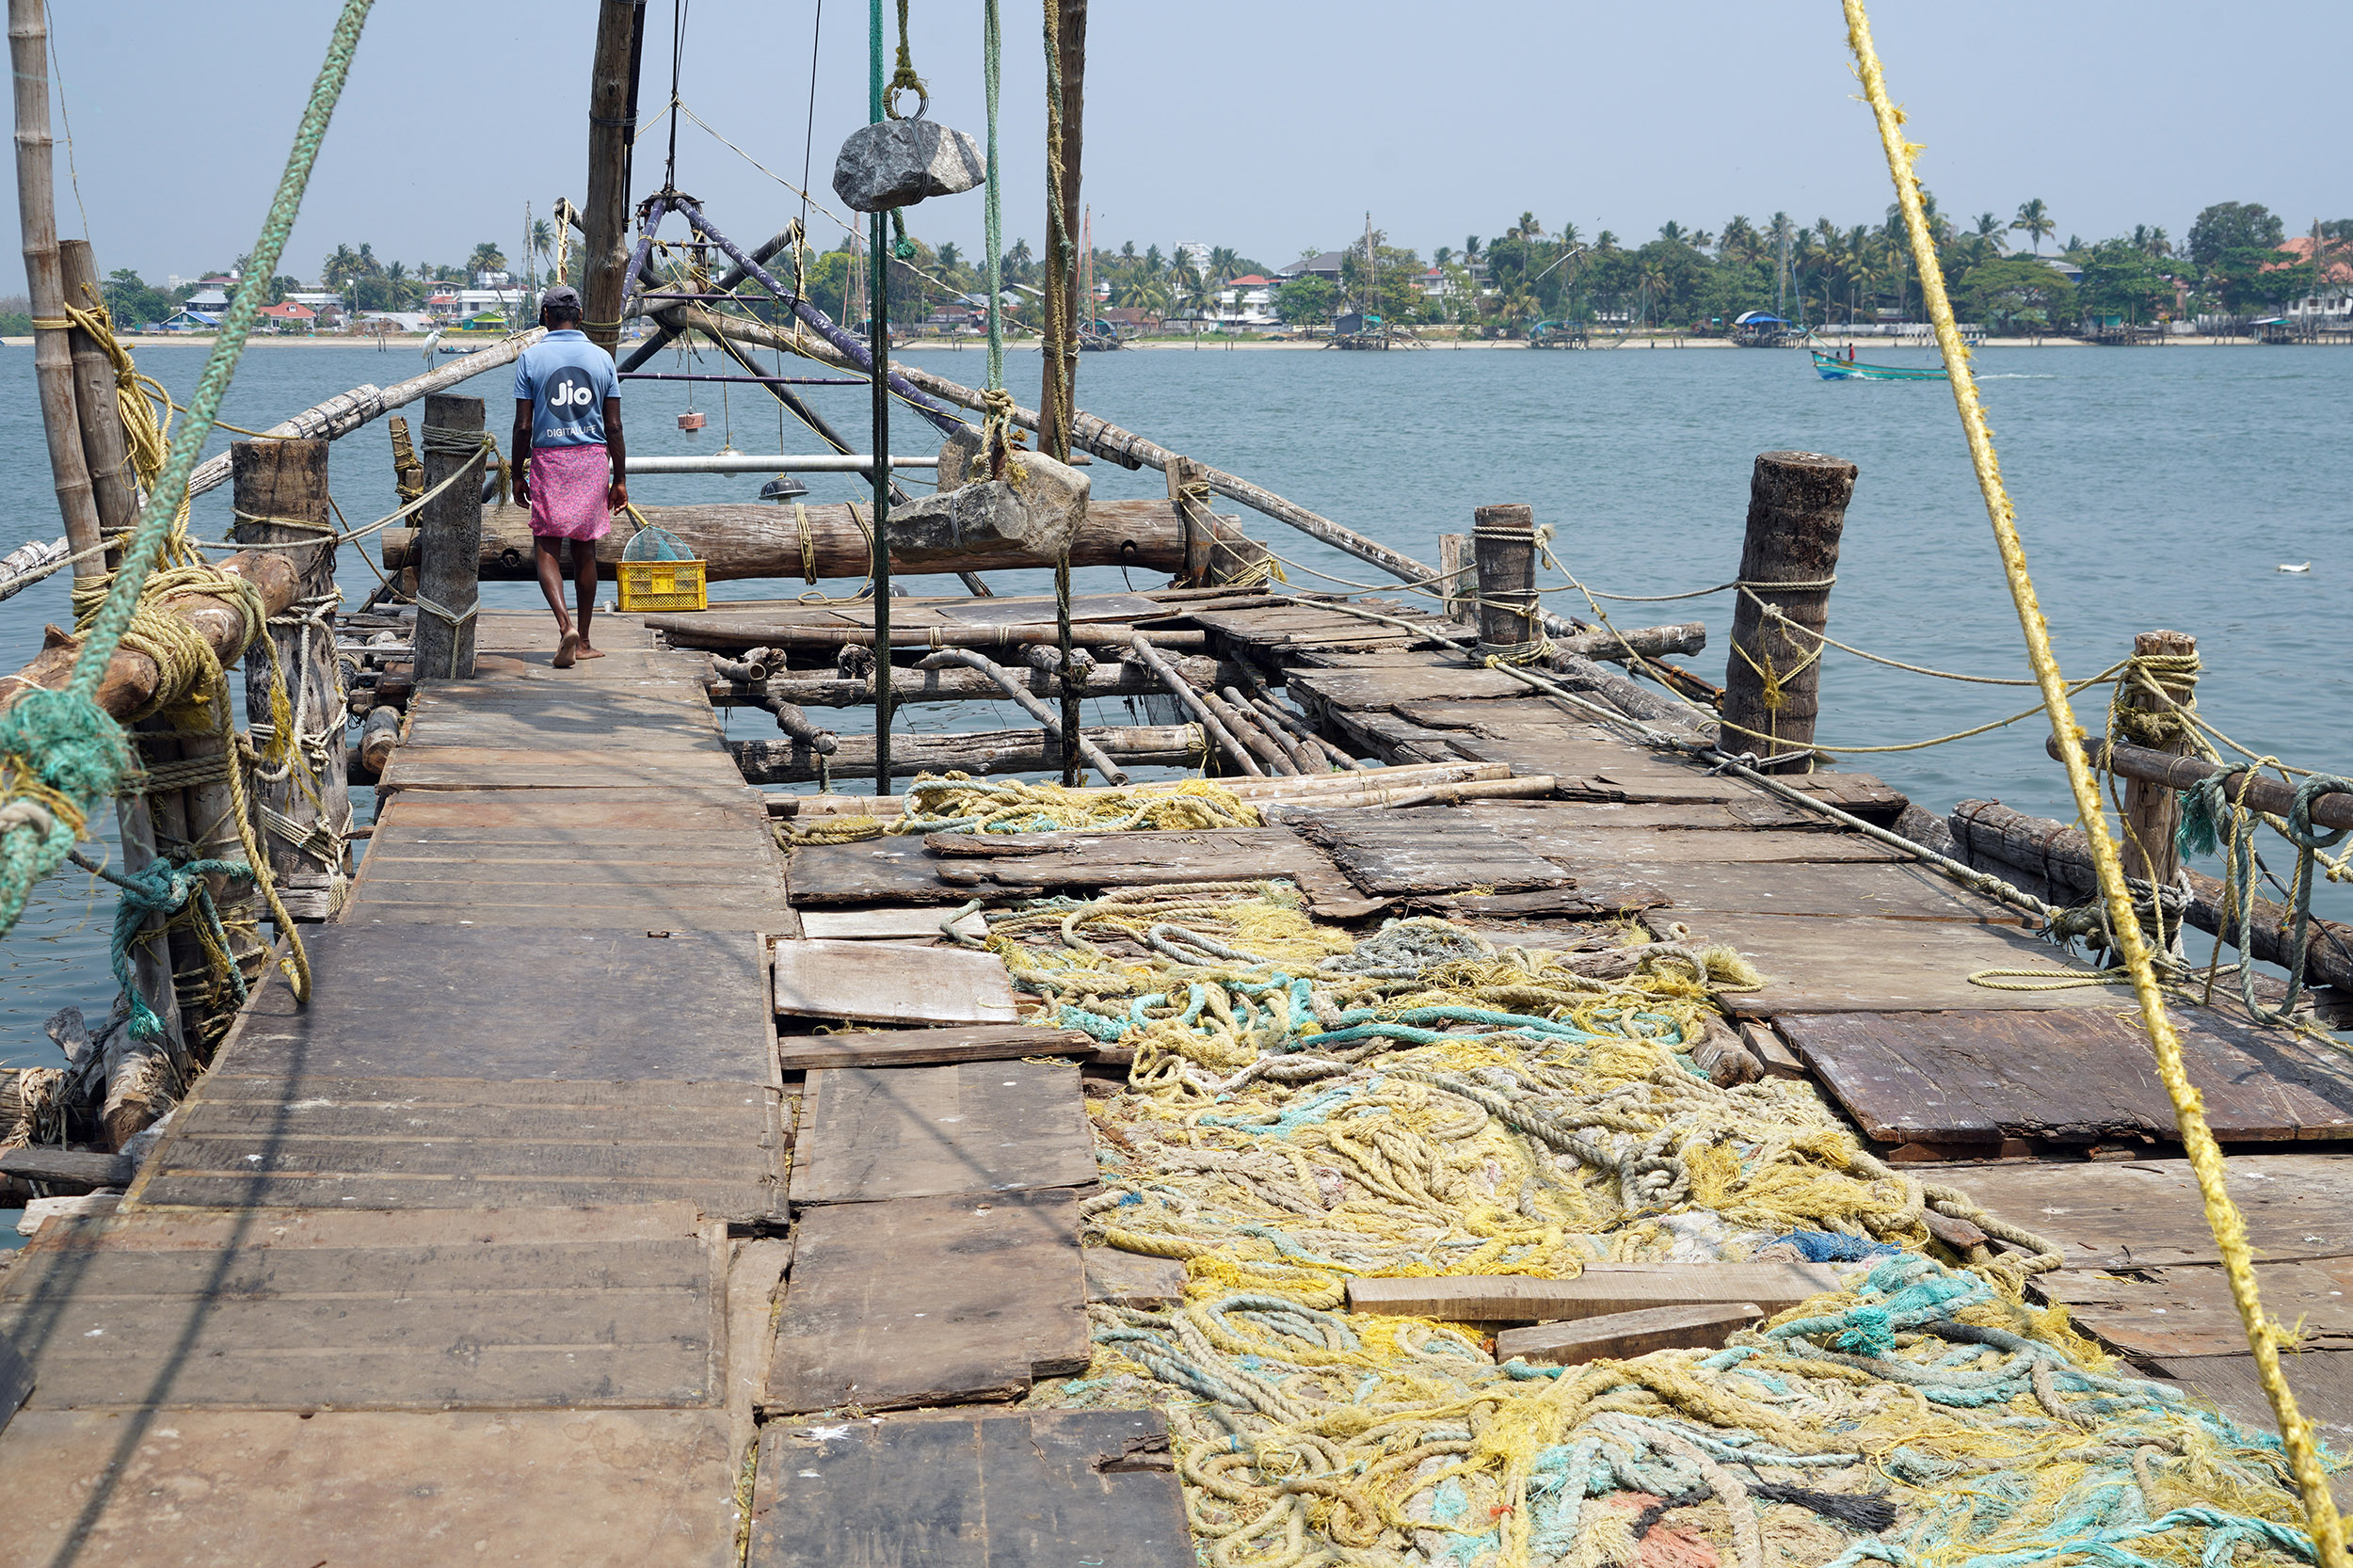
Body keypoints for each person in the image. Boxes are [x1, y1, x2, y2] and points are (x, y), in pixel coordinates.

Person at [511, 284, 626, 667]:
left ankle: (564, 627)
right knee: (585, 549)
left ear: (545, 316)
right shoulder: (602, 359)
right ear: (579, 316)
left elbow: (523, 426)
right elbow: (614, 427)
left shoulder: (530, 359)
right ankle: (584, 640)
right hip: (591, 460)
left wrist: (516, 473)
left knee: (546, 545)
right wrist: (620, 478)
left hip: (550, 459)